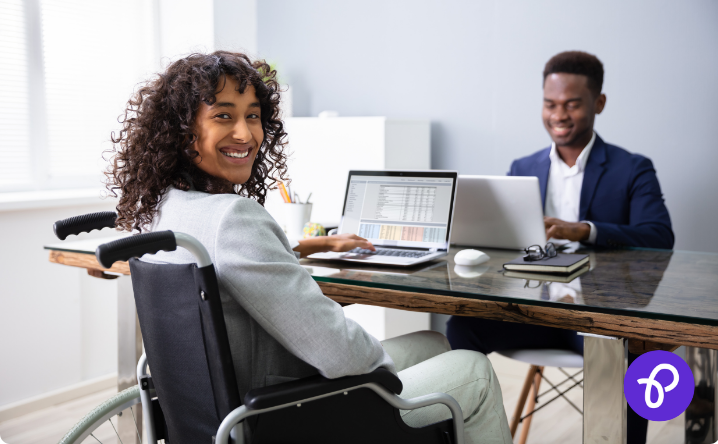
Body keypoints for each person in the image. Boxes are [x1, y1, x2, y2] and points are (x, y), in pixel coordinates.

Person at [106, 51, 512, 444]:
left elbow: (235, 264)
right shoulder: (234, 218)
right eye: (223, 115)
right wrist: (383, 380)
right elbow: (340, 356)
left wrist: (307, 246)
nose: (245, 134)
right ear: (183, 131)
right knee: (471, 368)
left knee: (433, 344)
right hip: (285, 415)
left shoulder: (164, 212)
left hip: (221, 415)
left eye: (253, 116)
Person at [447, 51, 674, 444]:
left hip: (596, 319)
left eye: (572, 104)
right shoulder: (523, 167)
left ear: (598, 103)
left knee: (630, 355)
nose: (559, 115)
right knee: (460, 327)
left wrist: (583, 230)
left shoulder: (633, 167)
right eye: (550, 104)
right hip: (531, 311)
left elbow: (659, 236)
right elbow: (502, 241)